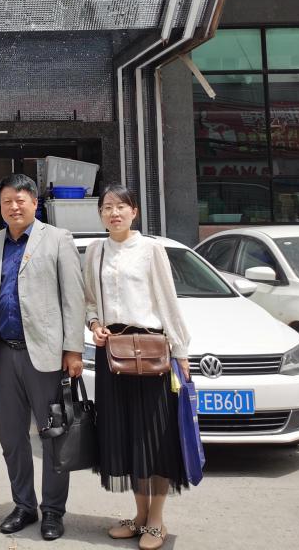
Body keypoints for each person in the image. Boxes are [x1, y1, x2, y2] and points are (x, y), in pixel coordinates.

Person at [82, 185, 191, 550]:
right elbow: (90, 299)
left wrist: (181, 351)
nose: (114, 213)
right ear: (100, 214)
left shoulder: (151, 250)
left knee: (154, 437)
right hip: (112, 352)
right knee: (126, 436)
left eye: (121, 207)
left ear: (134, 212)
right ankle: (140, 514)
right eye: (107, 207)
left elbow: (168, 300)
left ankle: (157, 519)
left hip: (150, 351)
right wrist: (94, 323)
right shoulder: (95, 251)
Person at [0, 173, 85, 542]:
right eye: (7, 201)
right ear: (0, 205)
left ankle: (53, 510)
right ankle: (23, 505)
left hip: (46, 355)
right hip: (3, 353)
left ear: (35, 203)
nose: (14, 207)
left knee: (53, 435)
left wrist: (73, 349)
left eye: (20, 200)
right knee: (11, 437)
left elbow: (74, 297)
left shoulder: (57, 239)